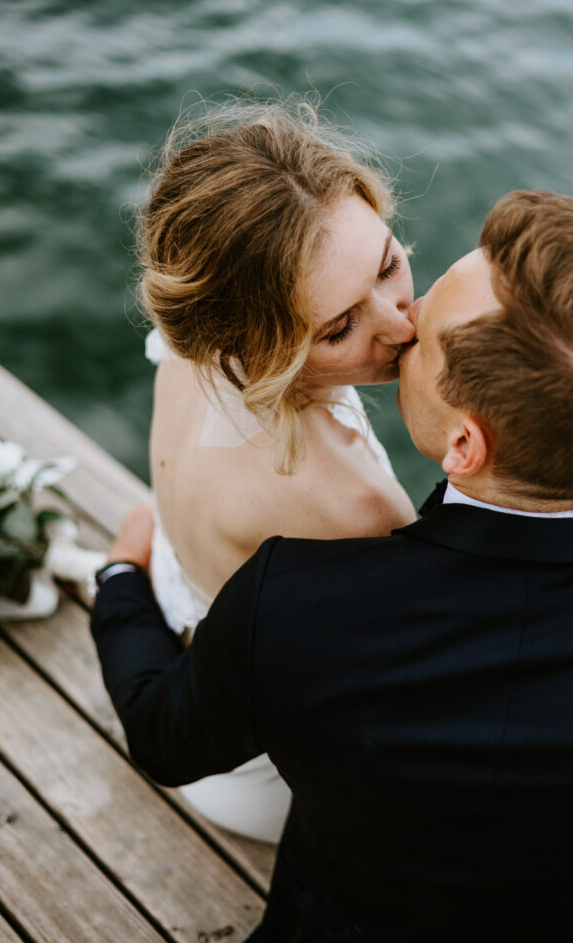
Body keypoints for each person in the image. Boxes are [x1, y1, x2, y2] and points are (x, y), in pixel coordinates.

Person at [92, 190, 573, 941]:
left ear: (463, 447)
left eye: (422, 340)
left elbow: (162, 739)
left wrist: (121, 582)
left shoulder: (292, 599)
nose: (402, 325)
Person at [137, 100, 418, 840]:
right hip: (264, 782)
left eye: (388, 263)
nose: (400, 324)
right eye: (338, 328)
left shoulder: (188, 350)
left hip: (185, 625)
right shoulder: (351, 502)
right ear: (257, 348)